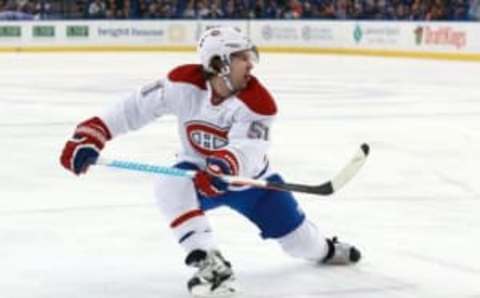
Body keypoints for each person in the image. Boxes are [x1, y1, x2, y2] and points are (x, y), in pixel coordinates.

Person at [60, 26, 361, 298]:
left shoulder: (259, 102)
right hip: (196, 176)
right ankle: (210, 264)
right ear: (219, 63)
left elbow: (250, 147)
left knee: (301, 245)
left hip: (252, 184)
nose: (251, 64)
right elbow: (133, 109)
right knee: (169, 181)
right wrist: (91, 133)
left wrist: (224, 167)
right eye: (243, 58)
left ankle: (327, 250)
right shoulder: (182, 83)